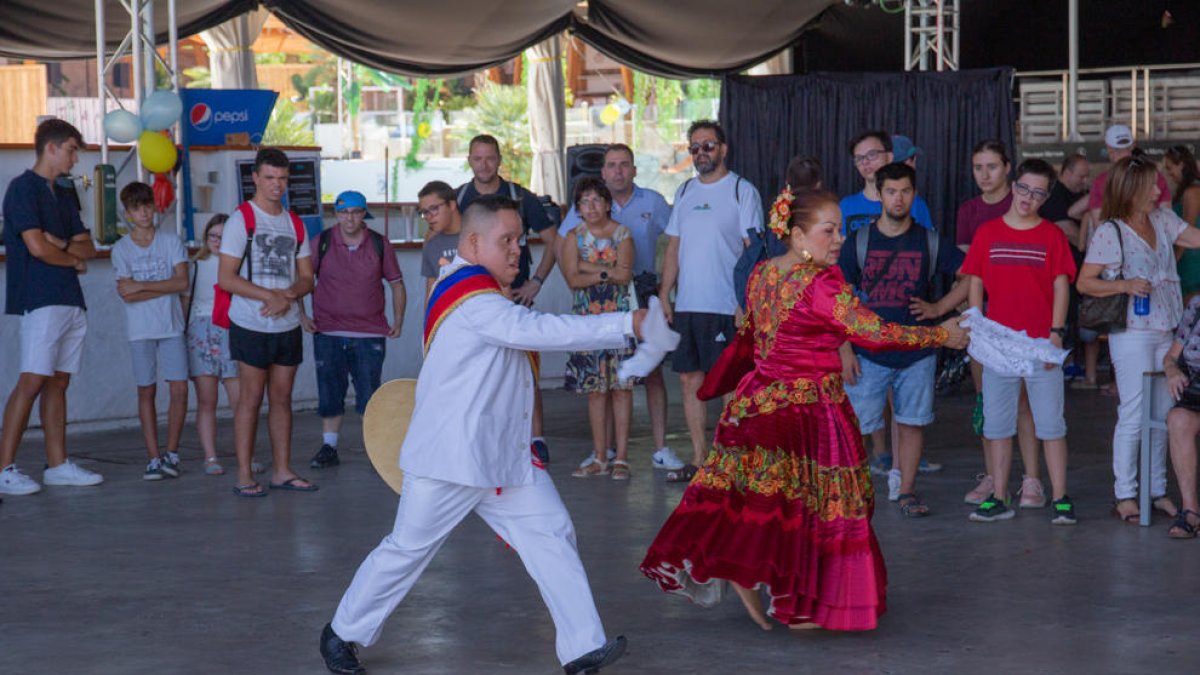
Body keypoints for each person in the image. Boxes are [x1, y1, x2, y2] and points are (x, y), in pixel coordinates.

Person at [319, 195, 635, 675]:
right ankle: (341, 634)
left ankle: (582, 649)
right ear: (472, 243)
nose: (516, 250)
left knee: (551, 532)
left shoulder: (473, 289)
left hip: (501, 457)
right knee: (407, 550)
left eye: (519, 240)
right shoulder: (476, 300)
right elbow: (542, 331)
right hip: (451, 459)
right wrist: (628, 322)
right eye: (505, 240)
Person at [640, 189, 967, 631]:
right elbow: (873, 333)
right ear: (797, 236)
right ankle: (802, 602)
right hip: (808, 409)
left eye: (840, 230)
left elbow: (751, 334)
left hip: (756, 404)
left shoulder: (762, 273)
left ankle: (763, 582)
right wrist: (940, 335)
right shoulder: (821, 284)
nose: (839, 239)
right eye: (828, 231)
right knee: (820, 508)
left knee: (769, 503)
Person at [838, 163, 967, 515]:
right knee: (854, 426)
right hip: (867, 353)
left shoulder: (929, 240)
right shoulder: (859, 241)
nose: (899, 198)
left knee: (912, 422)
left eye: (905, 191)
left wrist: (940, 306)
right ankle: (849, 493)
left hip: (917, 352)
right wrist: (844, 348)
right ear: (879, 195)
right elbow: (838, 299)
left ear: (914, 194)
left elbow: (972, 274)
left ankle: (907, 492)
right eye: (891, 191)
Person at [1077, 156, 1200, 523]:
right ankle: (1126, 493)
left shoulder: (1162, 219)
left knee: (1164, 413)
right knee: (1133, 412)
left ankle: (1156, 490)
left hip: (1168, 329)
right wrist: (1124, 285)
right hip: (1132, 333)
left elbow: (1194, 238)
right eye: (1150, 186)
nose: (1157, 191)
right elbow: (1085, 282)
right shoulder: (1110, 231)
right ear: (1130, 190)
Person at [962, 158, 1077, 525]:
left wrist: (1056, 332)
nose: (1029, 197)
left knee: (1051, 425)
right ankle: (999, 497)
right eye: (1024, 188)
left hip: (1041, 342)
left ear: (1047, 197)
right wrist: (976, 324)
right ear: (1013, 187)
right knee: (997, 426)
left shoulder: (1052, 236)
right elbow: (975, 279)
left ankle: (1060, 497)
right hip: (998, 344)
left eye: (1038, 193)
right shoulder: (988, 232)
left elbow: (1061, 284)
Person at [556, 143, 682, 473]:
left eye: (624, 164)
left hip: (642, 290)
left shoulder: (653, 201)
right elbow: (565, 250)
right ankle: (605, 451)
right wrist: (584, 275)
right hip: (593, 301)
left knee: (651, 371)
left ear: (634, 169)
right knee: (600, 380)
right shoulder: (585, 205)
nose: (618, 171)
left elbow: (674, 244)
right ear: (603, 171)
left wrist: (667, 291)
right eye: (611, 165)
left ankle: (660, 448)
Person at [0, 119, 103, 496]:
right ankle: (4, 468)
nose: (75, 158)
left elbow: (87, 247)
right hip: (38, 298)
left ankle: (57, 465)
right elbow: (35, 247)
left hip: (70, 298)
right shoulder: (21, 188)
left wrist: (60, 246)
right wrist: (68, 255)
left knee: (60, 381)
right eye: (72, 150)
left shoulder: (64, 193)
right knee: (32, 380)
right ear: (52, 147)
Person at [658, 119, 763, 482]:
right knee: (690, 381)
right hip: (689, 305)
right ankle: (701, 459)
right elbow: (674, 246)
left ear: (723, 149)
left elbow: (754, 251)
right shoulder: (685, 190)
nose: (701, 152)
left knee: (728, 386)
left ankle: (729, 460)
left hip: (726, 307)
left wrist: (745, 302)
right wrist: (664, 294)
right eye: (695, 147)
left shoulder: (741, 190)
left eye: (708, 145)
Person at [218, 147, 316, 497]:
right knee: (250, 399)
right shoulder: (241, 219)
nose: (277, 185)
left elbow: (307, 277)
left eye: (283, 178)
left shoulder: (295, 222)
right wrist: (269, 296)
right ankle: (245, 474)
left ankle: (282, 471)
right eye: (270, 177)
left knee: (282, 398)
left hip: (286, 326)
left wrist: (289, 293)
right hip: (250, 323)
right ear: (255, 178)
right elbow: (226, 278)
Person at [455, 134, 556, 463]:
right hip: (474, 300)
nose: (484, 165)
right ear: (469, 161)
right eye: (477, 158)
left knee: (526, 370)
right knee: (481, 373)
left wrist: (535, 283)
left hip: (515, 300)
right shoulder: (459, 199)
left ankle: (536, 438)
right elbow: (440, 240)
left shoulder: (520, 197)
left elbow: (554, 241)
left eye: (489, 158)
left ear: (499, 160)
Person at [956, 140, 1044, 508]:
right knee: (988, 401)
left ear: (1008, 168)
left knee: (1025, 403)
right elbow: (968, 275)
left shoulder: (1025, 200)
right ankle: (995, 476)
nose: (984, 174)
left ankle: (1032, 480)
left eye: (992, 166)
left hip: (1025, 320)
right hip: (988, 321)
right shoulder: (969, 211)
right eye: (978, 167)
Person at [300, 191, 405, 470]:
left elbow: (396, 284)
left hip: (369, 333)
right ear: (336, 214)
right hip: (328, 330)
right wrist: (302, 315)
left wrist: (399, 320)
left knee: (370, 394)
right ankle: (329, 447)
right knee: (329, 393)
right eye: (344, 212)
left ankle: (375, 449)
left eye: (356, 212)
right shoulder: (322, 241)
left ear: (364, 214)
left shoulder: (379, 243)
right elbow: (303, 279)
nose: (349, 218)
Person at [561, 178, 639, 480]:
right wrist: (608, 271)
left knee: (621, 388)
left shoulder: (623, 233)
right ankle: (600, 456)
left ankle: (622, 458)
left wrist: (588, 267)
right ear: (578, 208)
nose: (591, 206)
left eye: (596, 200)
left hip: (619, 319)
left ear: (607, 204)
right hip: (588, 319)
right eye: (584, 201)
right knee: (595, 390)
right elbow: (572, 279)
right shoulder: (573, 236)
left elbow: (625, 275)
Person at [112, 181, 190, 480]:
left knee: (179, 387)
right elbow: (127, 295)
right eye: (136, 208)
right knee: (146, 389)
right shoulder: (121, 249)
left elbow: (182, 282)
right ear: (128, 213)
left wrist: (141, 285)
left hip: (171, 325)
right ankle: (153, 457)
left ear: (154, 207)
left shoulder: (171, 241)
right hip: (140, 329)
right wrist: (161, 286)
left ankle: (172, 452)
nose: (143, 213)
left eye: (147, 206)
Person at [183, 214, 240, 476]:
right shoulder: (196, 265)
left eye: (223, 237)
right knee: (207, 401)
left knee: (240, 401)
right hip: (201, 331)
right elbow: (186, 302)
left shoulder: (239, 266)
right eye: (212, 236)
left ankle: (246, 454)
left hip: (232, 330)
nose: (217, 241)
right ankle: (210, 456)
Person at [839, 130, 934, 235]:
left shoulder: (914, 204)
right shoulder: (846, 206)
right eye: (859, 158)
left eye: (872, 154)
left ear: (889, 157)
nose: (865, 162)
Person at [1164, 295, 1200, 538]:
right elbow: (1170, 356)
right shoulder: (1197, 306)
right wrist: (1172, 370)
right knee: (1178, 419)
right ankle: (1191, 511)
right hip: (1196, 395)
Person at [1163, 145, 1200, 300]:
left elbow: (1187, 229)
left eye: (1170, 168)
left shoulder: (1192, 191)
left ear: (1181, 165)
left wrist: (1173, 262)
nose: (1169, 173)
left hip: (1191, 259)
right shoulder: (1185, 190)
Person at [418, 181, 461, 298]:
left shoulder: (477, 234)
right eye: (424, 212)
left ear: (452, 205)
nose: (429, 216)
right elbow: (431, 291)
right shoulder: (431, 244)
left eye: (434, 208)